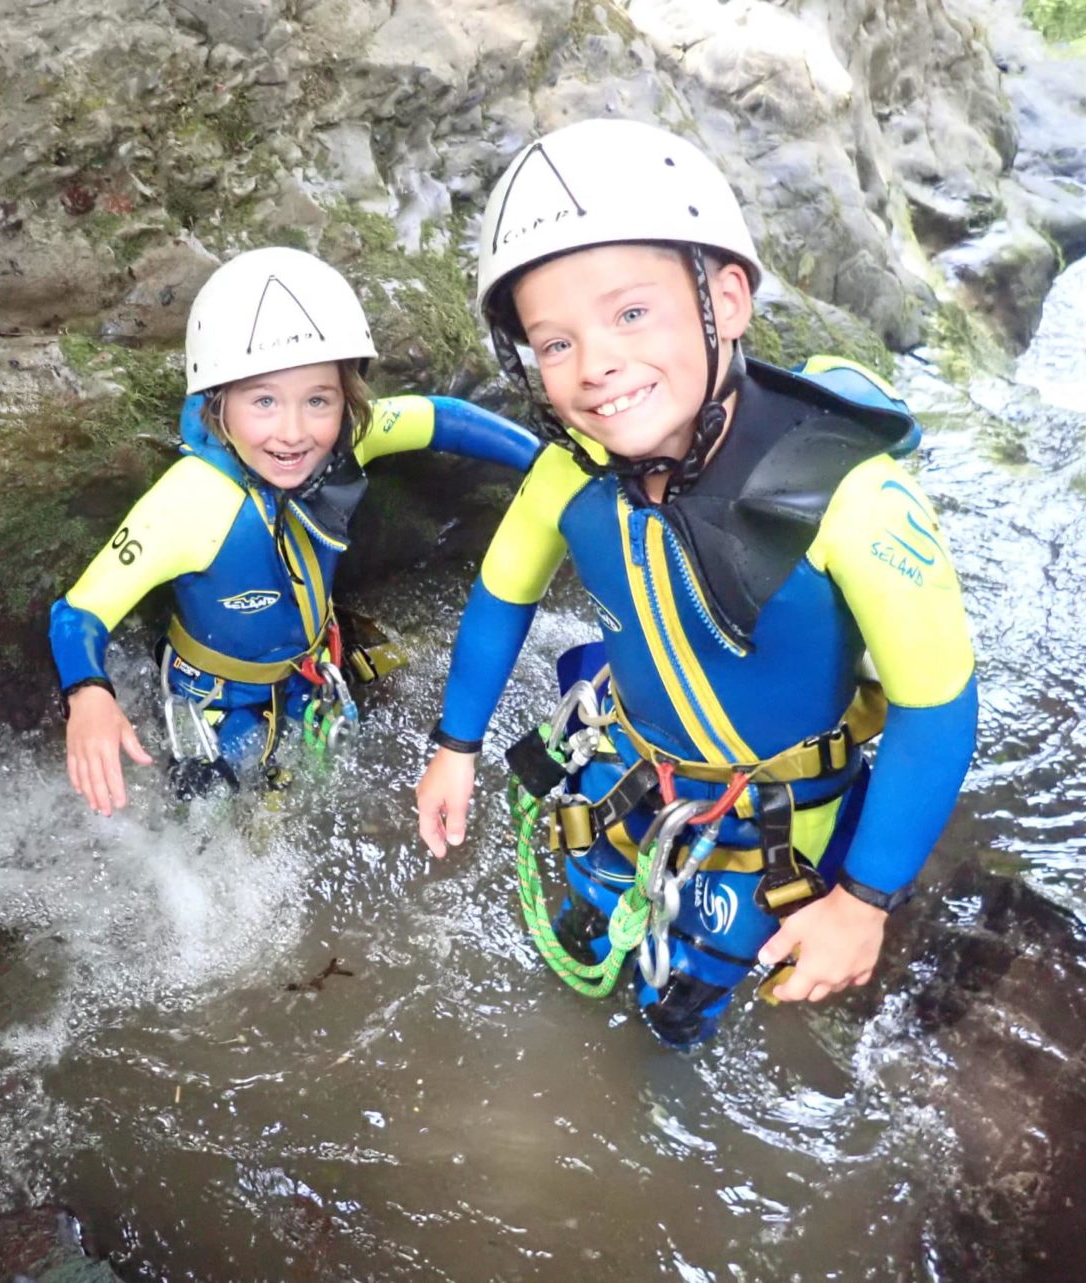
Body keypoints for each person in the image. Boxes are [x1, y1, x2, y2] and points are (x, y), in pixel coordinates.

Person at [412, 118, 978, 1047]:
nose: (594, 366)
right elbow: (501, 595)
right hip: (626, 772)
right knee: (585, 932)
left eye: (632, 314)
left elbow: (939, 708)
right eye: (554, 344)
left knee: (684, 1010)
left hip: (774, 820)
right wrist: (456, 745)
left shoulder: (854, 496)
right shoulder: (568, 474)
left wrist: (864, 901)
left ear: (727, 299)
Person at [51, 246, 542, 815]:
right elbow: (79, 612)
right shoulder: (188, 501)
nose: (293, 433)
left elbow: (440, 418)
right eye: (264, 400)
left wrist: (545, 465)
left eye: (317, 400)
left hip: (311, 671)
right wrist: (87, 693)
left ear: (346, 399)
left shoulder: (343, 441)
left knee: (331, 784)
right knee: (223, 811)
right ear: (218, 403)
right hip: (219, 700)